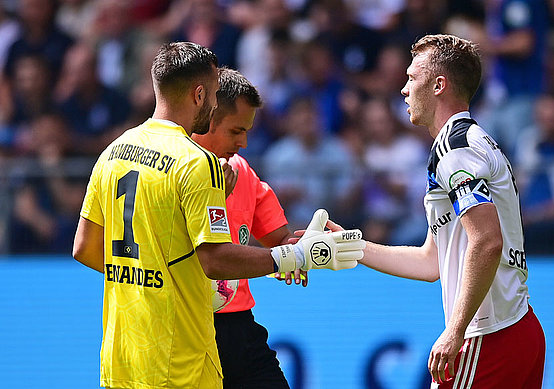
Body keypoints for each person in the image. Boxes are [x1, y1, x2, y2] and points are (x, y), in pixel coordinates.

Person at [71, 41, 365, 389]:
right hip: (179, 355)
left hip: (124, 351)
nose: (213, 104)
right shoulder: (196, 162)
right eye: (212, 95)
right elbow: (215, 260)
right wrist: (297, 256)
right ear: (199, 94)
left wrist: (152, 281)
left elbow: (85, 249)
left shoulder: (115, 150)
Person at [327, 34, 545, 387]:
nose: (404, 89)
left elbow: (487, 241)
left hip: (487, 335)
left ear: (439, 85)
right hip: (518, 328)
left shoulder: (455, 148)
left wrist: (454, 331)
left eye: (413, 78)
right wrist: (352, 246)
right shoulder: (472, 142)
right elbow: (433, 262)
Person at [191, 67, 297, 388]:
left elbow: (280, 239)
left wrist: (305, 249)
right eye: (236, 131)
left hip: (239, 327)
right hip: (188, 328)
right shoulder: (178, 169)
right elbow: (210, 259)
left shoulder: (242, 170)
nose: (245, 142)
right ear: (208, 118)